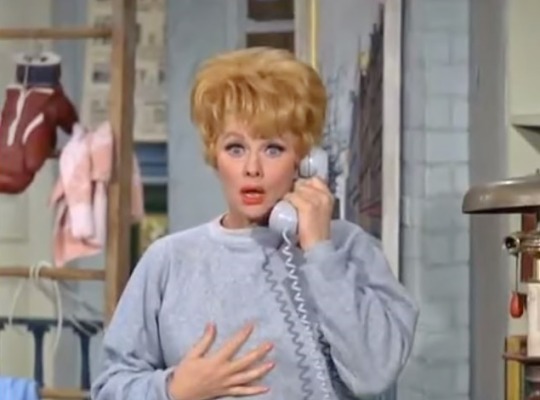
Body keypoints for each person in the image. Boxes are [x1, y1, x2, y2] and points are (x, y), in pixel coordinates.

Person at [91, 47, 418, 400]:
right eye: (235, 148)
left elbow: (374, 375)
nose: (252, 168)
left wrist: (320, 252)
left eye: (273, 149)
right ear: (214, 156)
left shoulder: (349, 249)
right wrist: (174, 389)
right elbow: (109, 389)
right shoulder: (169, 260)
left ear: (305, 160)